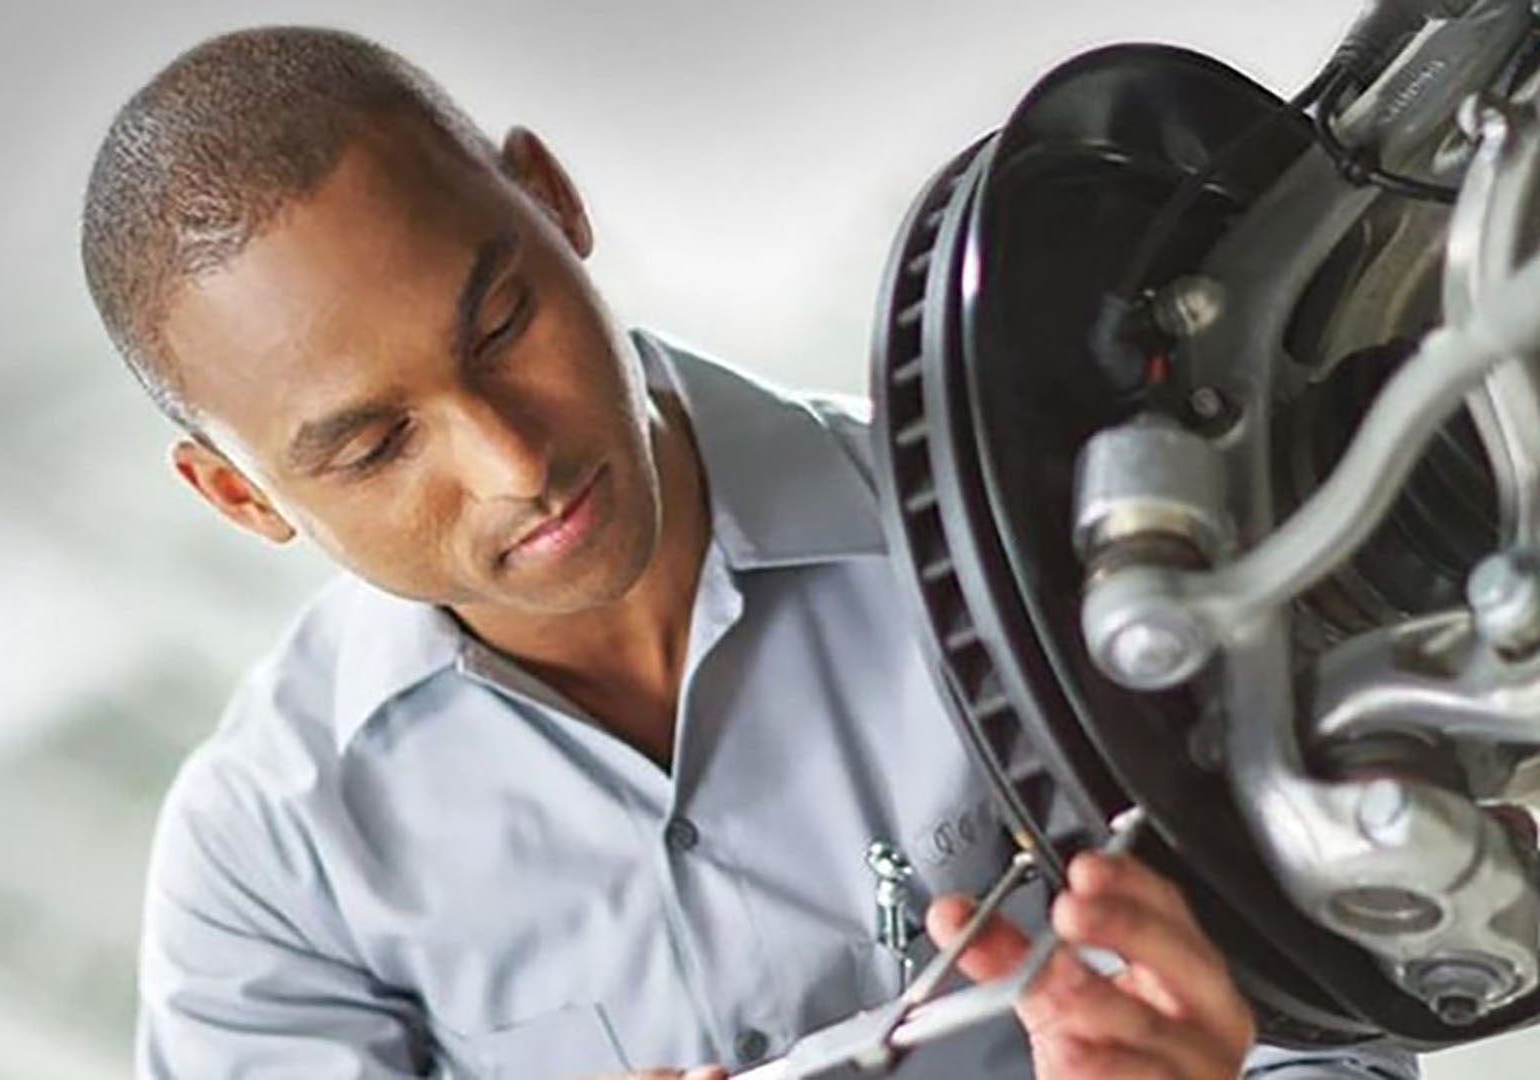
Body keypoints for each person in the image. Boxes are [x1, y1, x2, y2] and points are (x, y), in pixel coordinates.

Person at [80, 25, 1420, 1080]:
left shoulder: (1057, 539)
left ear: (552, 200)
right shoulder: (272, 859)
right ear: (237, 496)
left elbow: (1351, 1024)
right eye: (374, 447)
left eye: (500, 324)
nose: (514, 461)